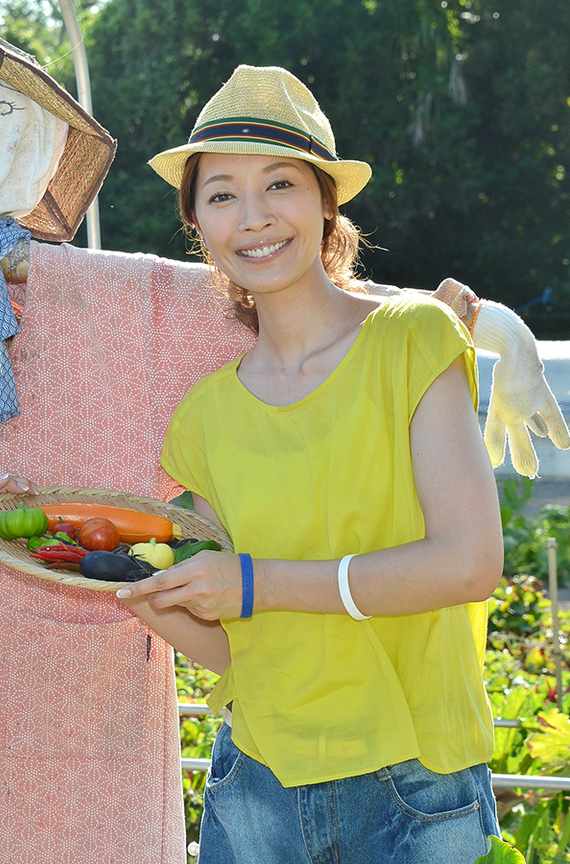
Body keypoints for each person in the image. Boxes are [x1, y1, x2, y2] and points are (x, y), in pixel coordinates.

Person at [114, 64, 505, 864]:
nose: (252, 217)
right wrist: (139, 589)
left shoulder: (414, 339)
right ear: (196, 220)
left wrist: (253, 581)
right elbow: (236, 647)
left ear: (326, 202)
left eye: (280, 184)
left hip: (417, 781)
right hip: (256, 783)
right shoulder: (203, 419)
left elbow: (470, 563)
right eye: (221, 194)